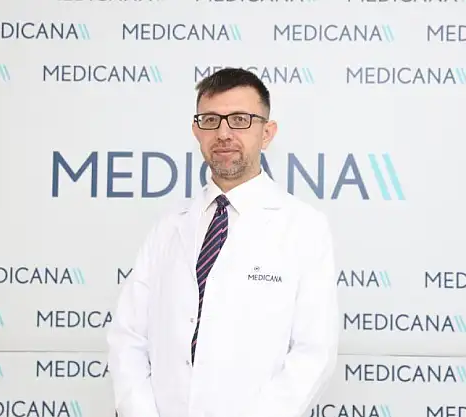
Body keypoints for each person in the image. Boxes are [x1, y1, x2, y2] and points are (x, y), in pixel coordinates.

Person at [106, 67, 339, 417]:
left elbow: (313, 352)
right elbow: (128, 338)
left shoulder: (304, 227)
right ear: (196, 131)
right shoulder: (167, 228)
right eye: (211, 120)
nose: (224, 133)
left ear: (267, 133)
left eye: (241, 120)